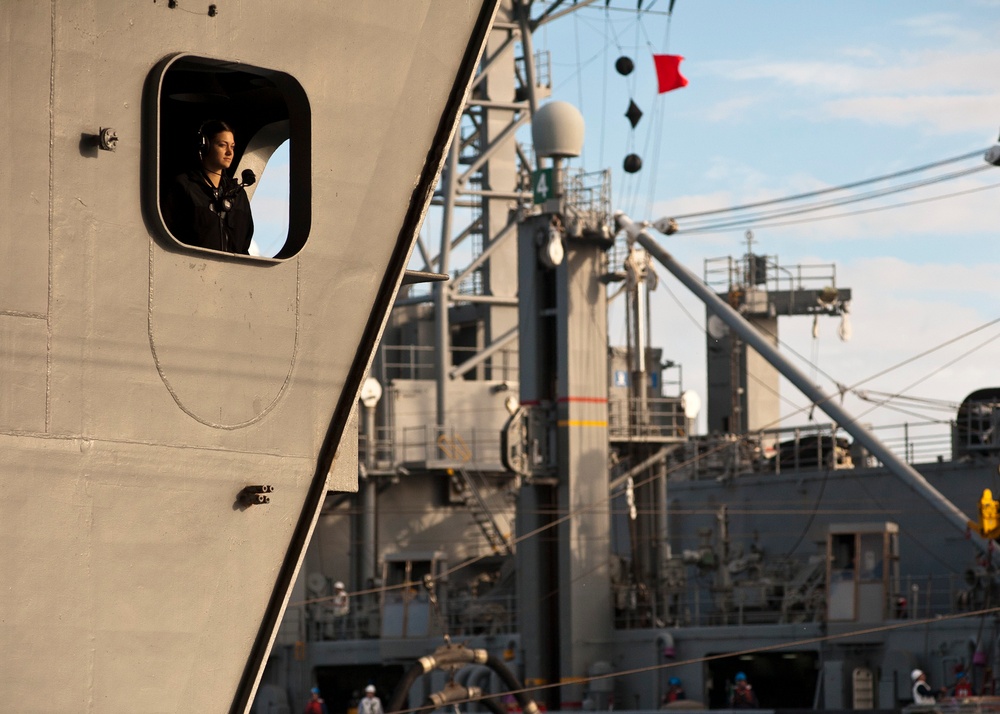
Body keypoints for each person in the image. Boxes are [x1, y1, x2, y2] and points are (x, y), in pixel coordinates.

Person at [162, 119, 254, 254]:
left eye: (232, 146)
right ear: (205, 146)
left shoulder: (238, 195)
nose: (229, 152)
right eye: (222, 145)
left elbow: (245, 244)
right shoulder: (183, 186)